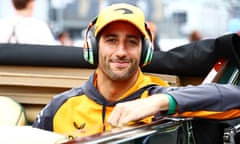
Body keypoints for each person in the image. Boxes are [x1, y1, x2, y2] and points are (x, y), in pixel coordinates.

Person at [32, 3, 240, 143]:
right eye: (111, 40)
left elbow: (234, 98)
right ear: (93, 47)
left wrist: (159, 102)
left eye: (131, 42)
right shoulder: (59, 106)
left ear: (145, 51)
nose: (121, 52)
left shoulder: (159, 99)